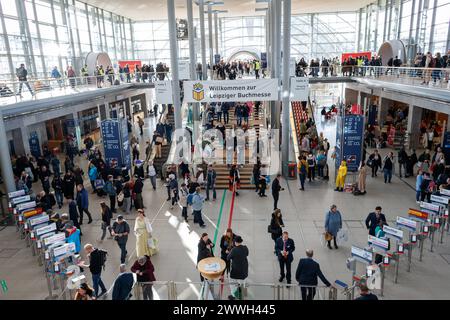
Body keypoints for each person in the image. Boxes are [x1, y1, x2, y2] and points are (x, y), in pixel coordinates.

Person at [227, 236, 248, 300]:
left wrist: (230, 252)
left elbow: (228, 258)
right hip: (244, 270)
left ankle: (234, 296)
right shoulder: (245, 248)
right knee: (243, 283)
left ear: (235, 242)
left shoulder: (234, 250)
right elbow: (247, 254)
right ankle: (243, 294)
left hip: (236, 272)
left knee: (232, 283)